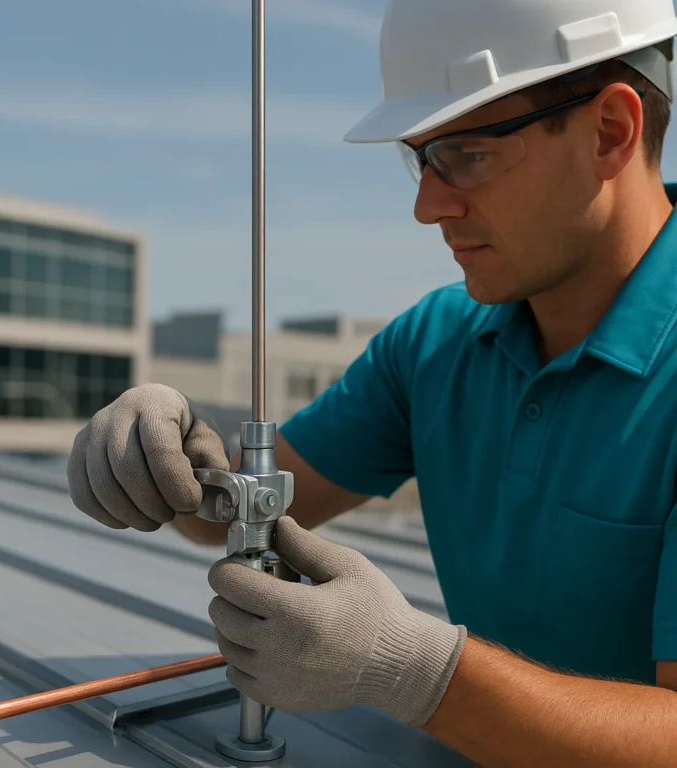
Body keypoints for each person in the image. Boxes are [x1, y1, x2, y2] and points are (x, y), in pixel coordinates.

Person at [67, 0, 677, 764]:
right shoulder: (437, 345)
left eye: (468, 155)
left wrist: (416, 671)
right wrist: (170, 455)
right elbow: (247, 507)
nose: (428, 206)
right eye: (420, 158)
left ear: (610, 132)